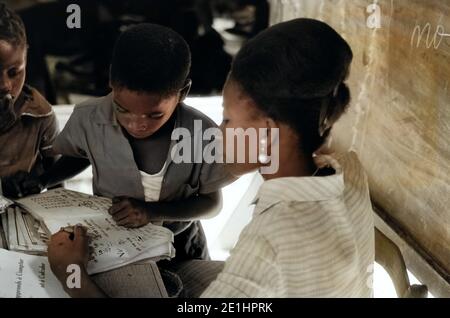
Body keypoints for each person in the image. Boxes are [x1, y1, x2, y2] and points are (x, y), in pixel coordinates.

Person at [47, 18, 374, 298]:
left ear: (264, 132)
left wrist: (73, 276)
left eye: (228, 119)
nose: (218, 130)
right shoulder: (350, 171)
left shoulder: (268, 244)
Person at [31, 23, 234, 263]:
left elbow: (212, 204)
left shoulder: (201, 135)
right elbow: (79, 154)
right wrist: (43, 180)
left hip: (181, 245)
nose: (136, 124)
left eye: (154, 115)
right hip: (115, 242)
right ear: (111, 82)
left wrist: (152, 212)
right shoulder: (90, 118)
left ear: (182, 92)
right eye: (122, 109)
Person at [0, 2, 58, 198]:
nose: (5, 85)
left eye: (14, 72)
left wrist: (37, 181)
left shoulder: (40, 115)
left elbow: (56, 181)